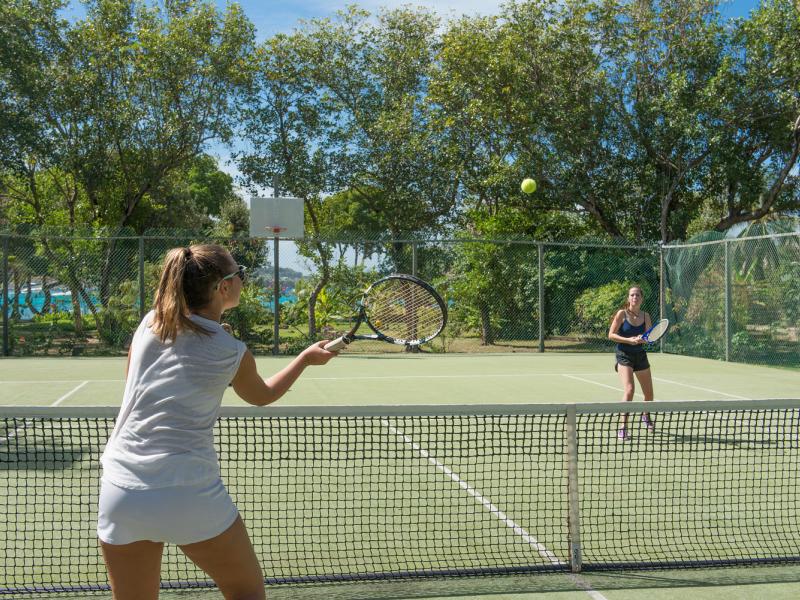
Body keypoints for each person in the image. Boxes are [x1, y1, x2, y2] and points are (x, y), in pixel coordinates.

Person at [97, 244, 337, 600]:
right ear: (222, 288)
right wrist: (304, 359)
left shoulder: (150, 323)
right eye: (238, 272)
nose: (242, 277)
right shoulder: (231, 351)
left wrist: (206, 333)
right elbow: (262, 395)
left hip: (122, 492)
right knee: (247, 592)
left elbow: (137, 374)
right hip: (189, 493)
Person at [607, 285, 655, 440]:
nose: (635, 297)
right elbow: (611, 335)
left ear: (641, 298)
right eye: (632, 295)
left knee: (649, 394)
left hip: (640, 355)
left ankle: (645, 416)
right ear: (628, 298)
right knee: (629, 390)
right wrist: (629, 340)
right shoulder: (622, 314)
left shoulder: (646, 316)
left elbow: (650, 337)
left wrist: (643, 339)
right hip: (624, 355)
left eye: (637, 295)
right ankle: (623, 427)